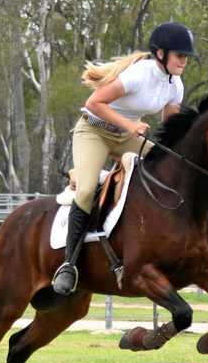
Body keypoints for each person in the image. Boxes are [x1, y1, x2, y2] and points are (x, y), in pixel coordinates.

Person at [51, 21, 198, 295]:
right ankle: (68, 265)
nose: (184, 61)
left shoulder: (174, 85)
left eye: (186, 57)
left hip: (127, 137)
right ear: (161, 54)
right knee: (84, 191)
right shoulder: (139, 75)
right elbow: (94, 103)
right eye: (180, 55)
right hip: (94, 130)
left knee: (166, 168)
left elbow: (170, 130)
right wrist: (130, 125)